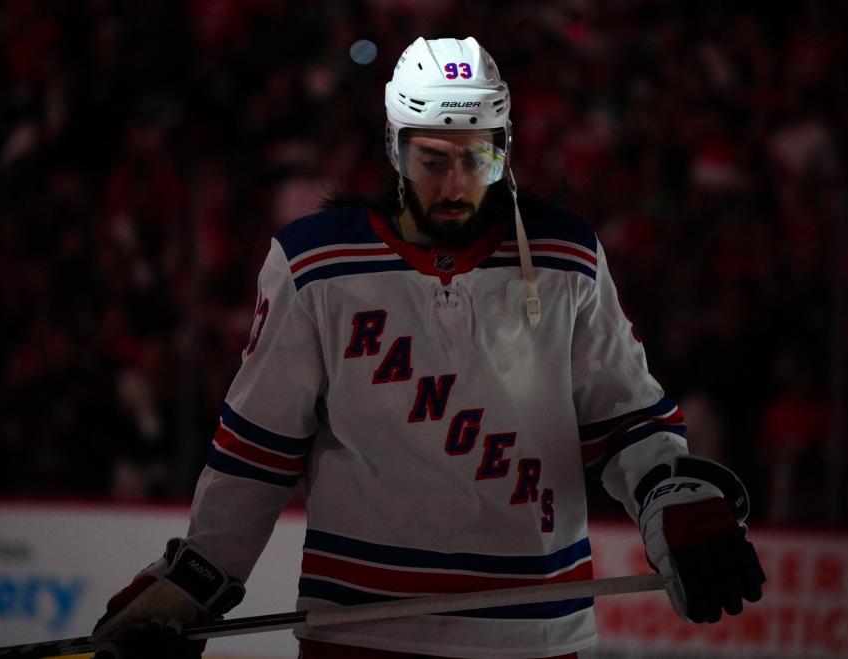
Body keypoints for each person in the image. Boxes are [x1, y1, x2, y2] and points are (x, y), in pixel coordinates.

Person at [91, 36, 765, 659]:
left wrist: (670, 500)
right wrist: (196, 577)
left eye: (477, 159)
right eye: (431, 159)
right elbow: (259, 448)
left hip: (536, 631)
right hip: (360, 627)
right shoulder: (313, 263)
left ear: (503, 150)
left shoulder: (566, 257)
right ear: (395, 148)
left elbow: (627, 420)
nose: (454, 184)